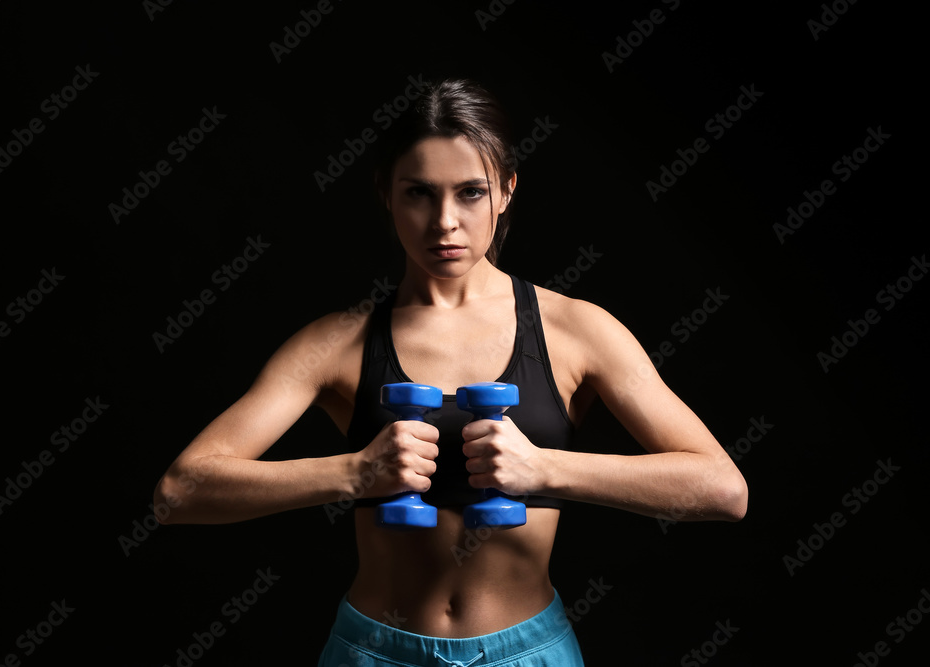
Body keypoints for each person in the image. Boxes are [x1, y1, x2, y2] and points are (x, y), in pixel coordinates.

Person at [153, 78, 748, 666]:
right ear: (385, 192)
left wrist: (545, 467)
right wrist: (356, 473)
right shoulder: (335, 342)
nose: (444, 222)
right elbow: (180, 492)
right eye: (418, 193)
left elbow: (723, 489)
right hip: (374, 653)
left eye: (469, 192)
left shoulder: (576, 330)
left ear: (506, 191)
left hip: (528, 652)